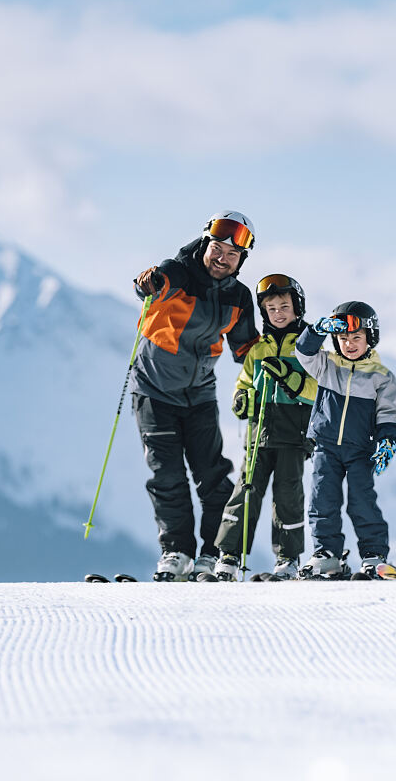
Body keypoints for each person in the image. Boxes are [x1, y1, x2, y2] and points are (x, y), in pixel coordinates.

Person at [132, 210, 260, 581]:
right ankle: (177, 552)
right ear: (206, 244)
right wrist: (149, 284)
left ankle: (212, 553)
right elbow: (155, 282)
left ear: (241, 260)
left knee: (213, 475)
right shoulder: (179, 273)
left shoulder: (237, 296)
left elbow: (246, 348)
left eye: (231, 254)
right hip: (155, 392)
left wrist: (276, 356)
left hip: (200, 396)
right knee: (167, 474)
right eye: (217, 248)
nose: (222, 258)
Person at [211, 274, 317, 581]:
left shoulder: (307, 347)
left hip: (295, 435)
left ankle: (288, 557)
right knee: (245, 491)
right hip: (259, 435)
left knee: (288, 495)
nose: (279, 312)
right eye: (271, 308)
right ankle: (229, 555)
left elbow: (320, 388)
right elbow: (244, 382)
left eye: (284, 305)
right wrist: (242, 399)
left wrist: (291, 378)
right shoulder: (258, 349)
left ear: (297, 308)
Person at [294, 301, 396, 578]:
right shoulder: (326, 365)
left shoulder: (381, 377)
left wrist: (386, 440)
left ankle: (373, 555)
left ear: (370, 338)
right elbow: (303, 351)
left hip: (359, 449)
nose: (349, 344)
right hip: (326, 447)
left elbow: (387, 414)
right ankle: (327, 554)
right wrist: (316, 330)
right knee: (322, 501)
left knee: (362, 502)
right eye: (343, 338)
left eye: (356, 337)